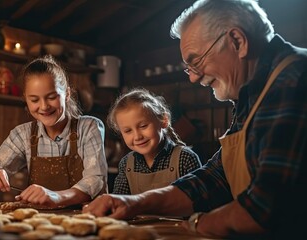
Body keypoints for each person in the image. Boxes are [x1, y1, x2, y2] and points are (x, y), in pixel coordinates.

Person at [82, 0, 307, 238]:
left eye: (196, 61)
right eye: (189, 67)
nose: (193, 78)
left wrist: (197, 224)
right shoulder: (250, 94)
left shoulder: (294, 81)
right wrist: (133, 203)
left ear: (237, 42)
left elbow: (264, 210)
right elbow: (214, 179)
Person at [0, 55, 108, 208]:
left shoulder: (89, 127)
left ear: (67, 94)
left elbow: (96, 179)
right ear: (26, 99)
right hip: (41, 224)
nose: (44, 106)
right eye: (35, 100)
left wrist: (56, 197)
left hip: (90, 219)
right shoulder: (22, 134)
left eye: (51, 97)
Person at [108, 88, 201, 194]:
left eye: (143, 126)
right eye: (128, 131)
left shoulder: (185, 159)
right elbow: (119, 202)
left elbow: (197, 201)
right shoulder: (126, 164)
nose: (137, 136)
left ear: (164, 121)